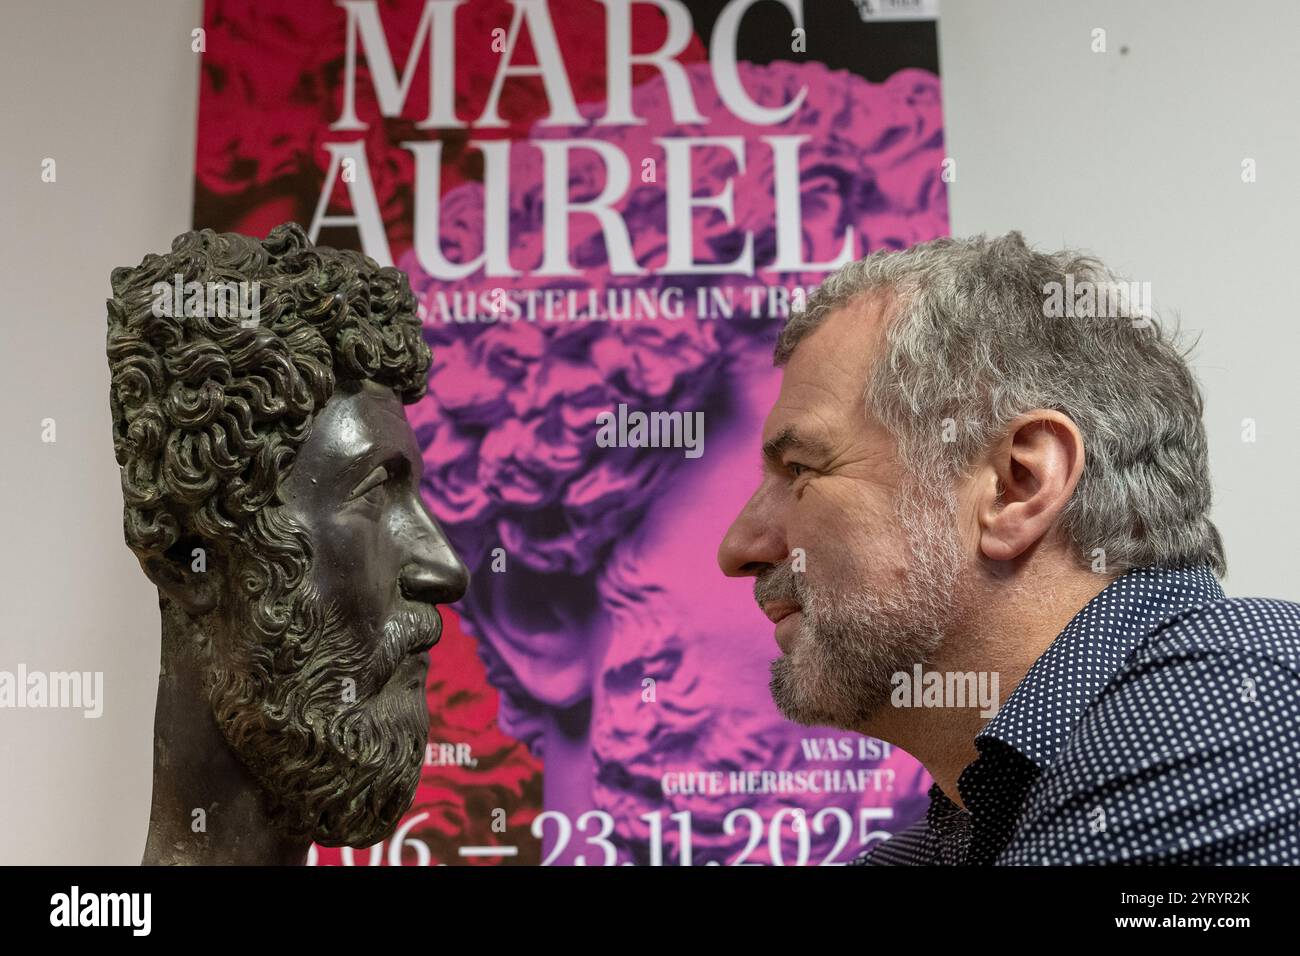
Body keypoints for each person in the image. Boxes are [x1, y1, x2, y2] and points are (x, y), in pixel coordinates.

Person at [717, 232, 1300, 864]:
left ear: (1016, 486)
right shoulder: (946, 840)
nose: (738, 548)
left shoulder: (1242, 698)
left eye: (802, 468)